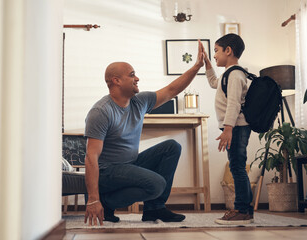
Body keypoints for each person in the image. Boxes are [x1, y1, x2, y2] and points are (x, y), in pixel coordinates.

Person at [83, 41, 205, 226]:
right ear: (116, 80)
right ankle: (106, 203)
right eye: (132, 75)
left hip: (129, 164)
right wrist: (93, 199)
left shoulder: (140, 102)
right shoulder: (101, 111)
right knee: (156, 184)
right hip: (107, 173)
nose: (137, 78)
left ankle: (154, 208)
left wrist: (196, 67)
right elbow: (91, 158)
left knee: (171, 147)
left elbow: (172, 90)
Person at [202, 33, 254, 225]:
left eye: (216, 51)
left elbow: (233, 104)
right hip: (236, 127)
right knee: (237, 166)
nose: (214, 55)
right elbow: (214, 83)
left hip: (237, 128)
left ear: (228, 50)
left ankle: (241, 210)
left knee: (237, 167)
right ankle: (245, 210)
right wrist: (207, 63)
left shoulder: (236, 75)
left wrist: (228, 129)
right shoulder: (229, 74)